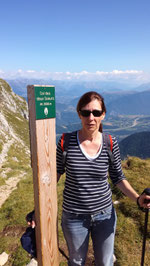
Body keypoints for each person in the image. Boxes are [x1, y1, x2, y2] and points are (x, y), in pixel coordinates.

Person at [56, 91, 150, 266]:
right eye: (85, 112)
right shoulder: (65, 142)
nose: (91, 117)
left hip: (104, 215)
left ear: (103, 115)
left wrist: (137, 199)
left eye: (96, 113)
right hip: (74, 217)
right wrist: (37, 210)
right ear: (79, 114)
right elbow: (54, 175)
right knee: (76, 261)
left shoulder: (110, 142)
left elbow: (118, 177)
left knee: (105, 262)